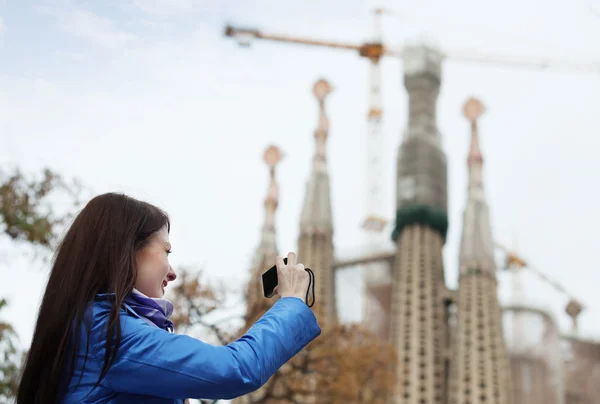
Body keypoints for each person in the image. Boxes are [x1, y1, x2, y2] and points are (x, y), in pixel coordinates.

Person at [16, 192, 320, 403]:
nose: (172, 272)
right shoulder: (107, 333)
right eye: (166, 251)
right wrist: (291, 302)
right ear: (126, 250)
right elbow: (235, 370)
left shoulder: (94, 327)